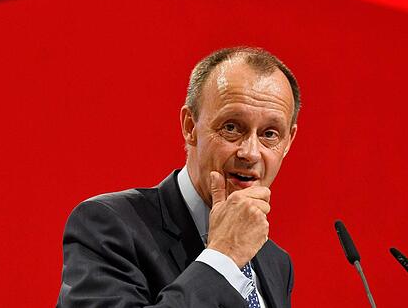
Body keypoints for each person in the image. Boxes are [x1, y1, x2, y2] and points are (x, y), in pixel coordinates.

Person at [57, 46, 301, 307]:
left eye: (269, 134)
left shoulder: (276, 263)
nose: (250, 153)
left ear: (288, 141)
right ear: (190, 126)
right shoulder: (108, 226)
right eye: (231, 127)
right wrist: (223, 257)